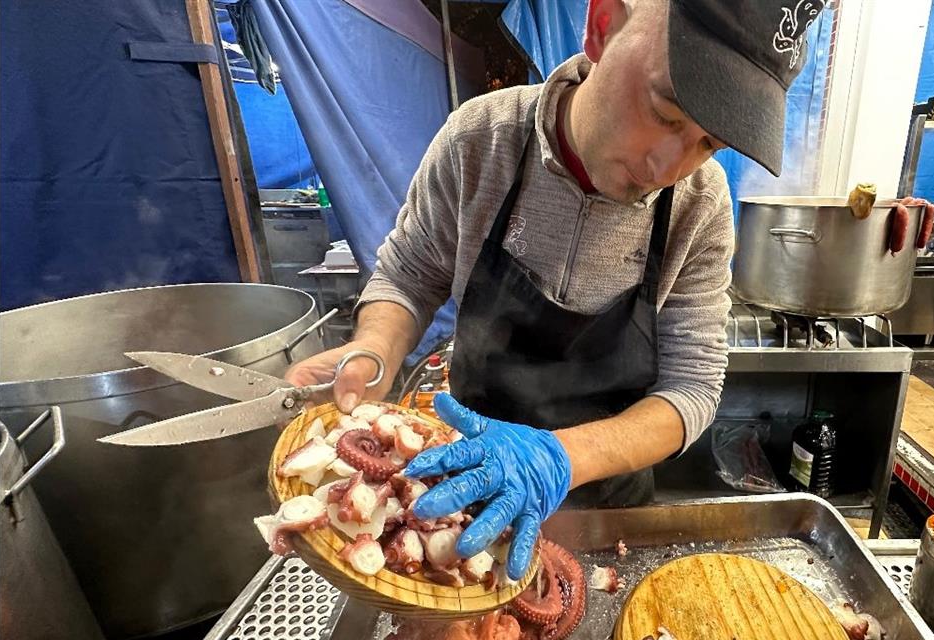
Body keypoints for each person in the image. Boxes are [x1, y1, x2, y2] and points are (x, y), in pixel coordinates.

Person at [286, 0, 825, 579]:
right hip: (459, 498)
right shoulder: (481, 141)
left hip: (608, 521)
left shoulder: (701, 205)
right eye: (666, 113)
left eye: (708, 143)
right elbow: (409, 276)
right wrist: (373, 350)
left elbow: (692, 389)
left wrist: (559, 457)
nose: (667, 165)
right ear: (602, 26)